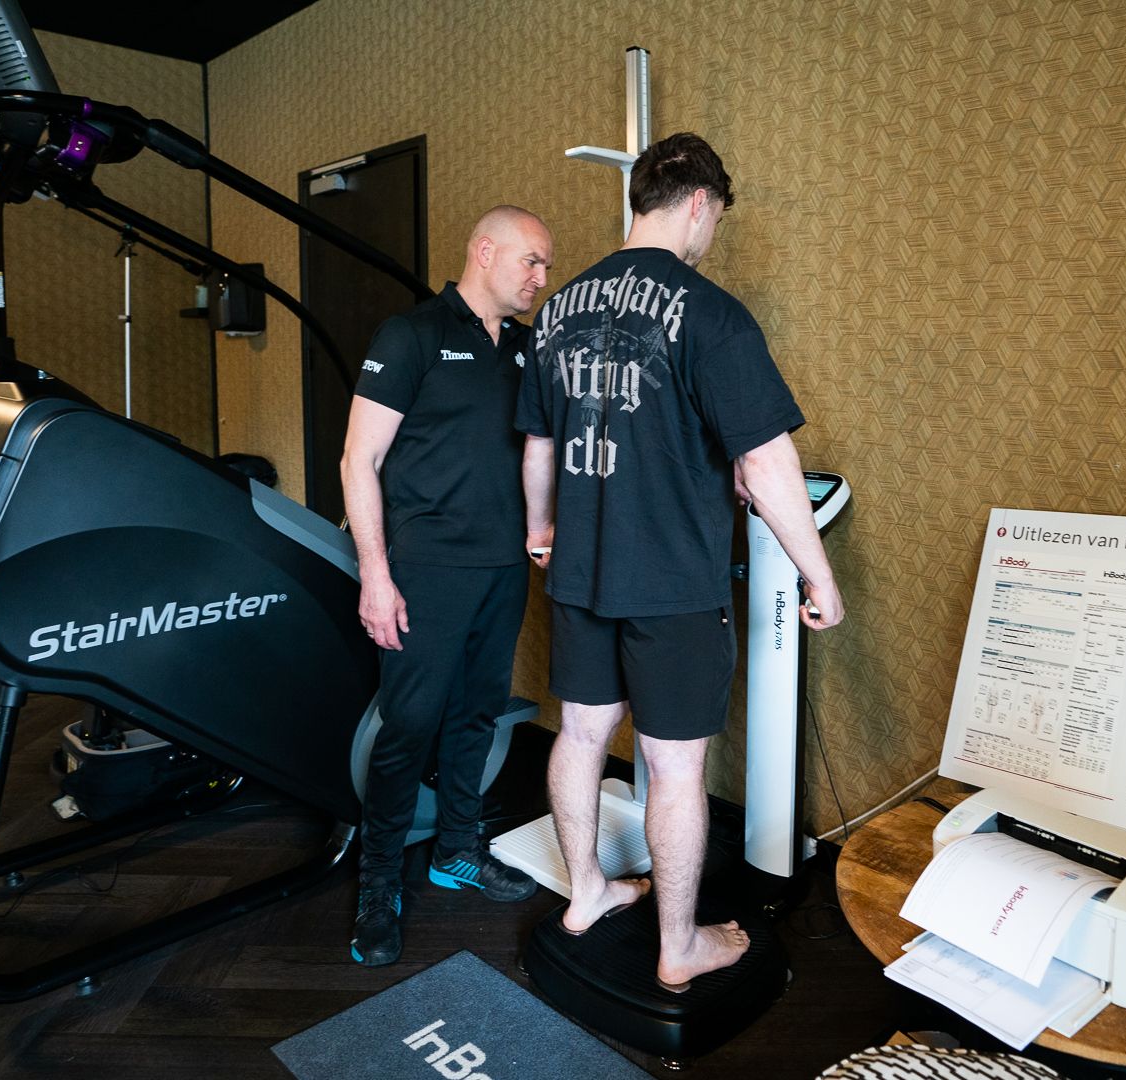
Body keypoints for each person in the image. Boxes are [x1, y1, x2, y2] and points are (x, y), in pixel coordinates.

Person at [516, 134, 843, 991]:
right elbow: (769, 465)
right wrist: (820, 573)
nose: (711, 239)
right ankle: (678, 945)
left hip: (579, 570)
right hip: (671, 583)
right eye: (716, 220)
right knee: (673, 766)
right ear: (699, 202)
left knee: (582, 734)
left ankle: (585, 893)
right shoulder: (710, 312)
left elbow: (539, 445)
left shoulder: (556, 310)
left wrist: (542, 528)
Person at [340, 205, 556, 966]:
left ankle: (456, 849)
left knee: (477, 718)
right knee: (408, 730)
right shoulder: (412, 336)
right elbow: (357, 462)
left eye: (546, 266)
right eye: (531, 261)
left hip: (502, 569)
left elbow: (542, 450)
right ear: (485, 250)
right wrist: (377, 574)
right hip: (424, 571)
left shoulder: (529, 348)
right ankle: (377, 882)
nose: (540, 278)